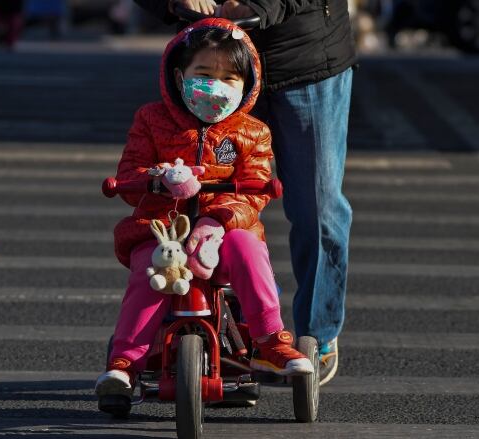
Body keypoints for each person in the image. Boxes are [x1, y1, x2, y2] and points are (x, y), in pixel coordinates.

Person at [134, 0, 355, 385]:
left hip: (303, 58)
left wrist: (260, 4)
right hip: (211, 64)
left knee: (316, 208)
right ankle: (203, 327)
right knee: (191, 196)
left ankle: (315, 335)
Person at [95, 19, 314, 404]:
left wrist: (218, 218)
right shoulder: (151, 119)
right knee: (151, 269)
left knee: (249, 250)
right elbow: (129, 174)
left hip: (223, 234)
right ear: (181, 77)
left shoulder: (252, 131)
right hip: (163, 229)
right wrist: (159, 176)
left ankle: (269, 341)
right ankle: (125, 362)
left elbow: (256, 189)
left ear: (246, 85)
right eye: (205, 73)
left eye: (230, 77)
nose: (217, 84)